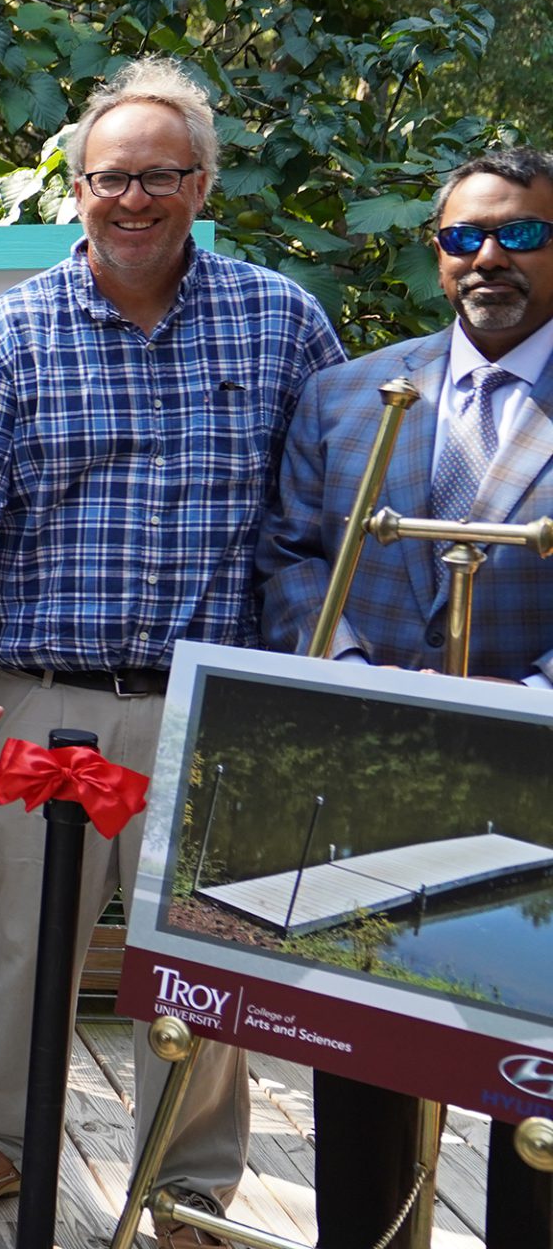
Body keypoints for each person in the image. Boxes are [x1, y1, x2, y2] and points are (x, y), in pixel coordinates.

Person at [0, 57, 344, 1243]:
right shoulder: (17, 332)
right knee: (19, 944)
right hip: (42, 699)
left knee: (207, 958)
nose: (132, 198)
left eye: (159, 175)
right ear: (78, 188)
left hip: (219, 706)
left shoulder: (282, 318)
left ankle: (187, 1182)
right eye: (110, 177)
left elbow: (324, 506)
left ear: (202, 183)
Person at [259, 145, 553, 1249]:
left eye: (520, 234)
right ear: (434, 254)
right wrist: (347, 675)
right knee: (365, 1065)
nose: (489, 256)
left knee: (531, 1092)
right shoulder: (349, 396)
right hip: (368, 778)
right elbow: (288, 557)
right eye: (463, 237)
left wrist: (523, 708)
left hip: (540, 796)